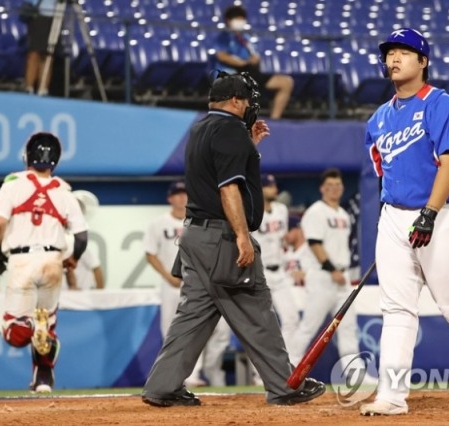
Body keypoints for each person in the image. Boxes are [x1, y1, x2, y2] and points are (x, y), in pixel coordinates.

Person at [141, 72, 325, 407]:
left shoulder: (201, 128)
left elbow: (216, 172)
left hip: (195, 237)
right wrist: (241, 235)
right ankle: (285, 385)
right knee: (256, 309)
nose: (252, 105)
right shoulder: (230, 130)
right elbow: (228, 188)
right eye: (248, 99)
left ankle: (162, 386)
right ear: (237, 101)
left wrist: (249, 147)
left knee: (193, 316)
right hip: (221, 238)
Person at [360, 28, 449, 416]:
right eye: (390, 53)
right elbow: (384, 174)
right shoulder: (378, 119)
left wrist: (428, 213)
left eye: (404, 52)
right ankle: (391, 395)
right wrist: (393, 223)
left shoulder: (442, 105)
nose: (394, 58)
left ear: (423, 61)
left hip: (441, 214)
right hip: (394, 217)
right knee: (396, 308)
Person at [0, 132, 88, 393]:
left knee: (14, 331)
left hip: (22, 261)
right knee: (49, 325)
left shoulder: (12, 183)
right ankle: (43, 380)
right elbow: (81, 236)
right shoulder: (65, 190)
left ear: (27, 156)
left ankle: (31, 325)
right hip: (53, 260)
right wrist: (73, 259)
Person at [143, 179, 230, 387]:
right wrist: (167, 275)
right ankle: (175, 376)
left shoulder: (199, 220)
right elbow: (150, 253)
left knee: (202, 329)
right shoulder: (158, 223)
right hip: (171, 284)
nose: (181, 198)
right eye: (177, 194)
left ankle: (197, 373)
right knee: (170, 330)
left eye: (185, 194)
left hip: (198, 282)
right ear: (170, 198)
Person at [287, 169, 362, 370]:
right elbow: (314, 243)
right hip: (323, 276)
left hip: (342, 276)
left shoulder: (344, 215)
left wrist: (342, 273)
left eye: (338, 186)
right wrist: (331, 269)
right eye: (329, 186)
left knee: (348, 328)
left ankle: (354, 373)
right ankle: (288, 368)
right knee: (309, 327)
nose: (334, 190)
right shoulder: (316, 212)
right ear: (322, 188)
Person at [212, 5, 294, 120]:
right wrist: (240, 63)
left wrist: (255, 59)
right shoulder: (223, 37)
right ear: (228, 21)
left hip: (251, 74)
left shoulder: (246, 38)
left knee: (286, 82)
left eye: (242, 19)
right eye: (237, 19)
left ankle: (275, 120)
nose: (240, 22)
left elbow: (254, 56)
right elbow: (222, 56)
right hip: (232, 73)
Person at [252, 174, 299, 345]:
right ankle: (258, 372)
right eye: (269, 186)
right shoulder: (250, 211)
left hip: (279, 271)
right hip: (259, 273)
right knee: (261, 324)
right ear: (260, 189)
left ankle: (286, 367)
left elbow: (283, 241)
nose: (275, 190)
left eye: (274, 186)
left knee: (291, 319)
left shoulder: (281, 210)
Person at [22, 0, 56, 95]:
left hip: (55, 16)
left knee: (48, 55)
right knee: (34, 53)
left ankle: (43, 88)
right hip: (38, 15)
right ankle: (29, 87)